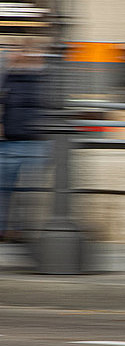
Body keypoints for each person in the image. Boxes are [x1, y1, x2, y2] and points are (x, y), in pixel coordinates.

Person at [0, 39, 50, 242]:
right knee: (4, 190)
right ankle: (5, 230)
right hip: (9, 142)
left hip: (36, 143)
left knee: (30, 193)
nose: (15, 55)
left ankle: (24, 231)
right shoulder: (6, 76)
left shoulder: (44, 78)